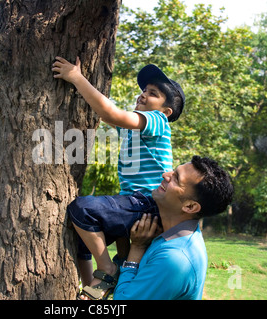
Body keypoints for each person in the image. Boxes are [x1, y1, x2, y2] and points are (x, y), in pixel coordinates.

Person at [52, 56, 185, 299]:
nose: (143, 94)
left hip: (146, 204)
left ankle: (106, 269)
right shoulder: (135, 124)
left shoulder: (158, 122)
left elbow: (109, 112)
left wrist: (76, 77)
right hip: (133, 203)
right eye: (144, 90)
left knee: (82, 208)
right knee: (83, 237)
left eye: (153, 93)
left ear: (165, 111)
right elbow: (104, 108)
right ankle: (93, 288)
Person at [112, 156, 234, 300]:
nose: (165, 175)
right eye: (174, 171)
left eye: (176, 179)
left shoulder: (174, 259)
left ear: (190, 206)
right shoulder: (174, 234)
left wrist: (137, 249)